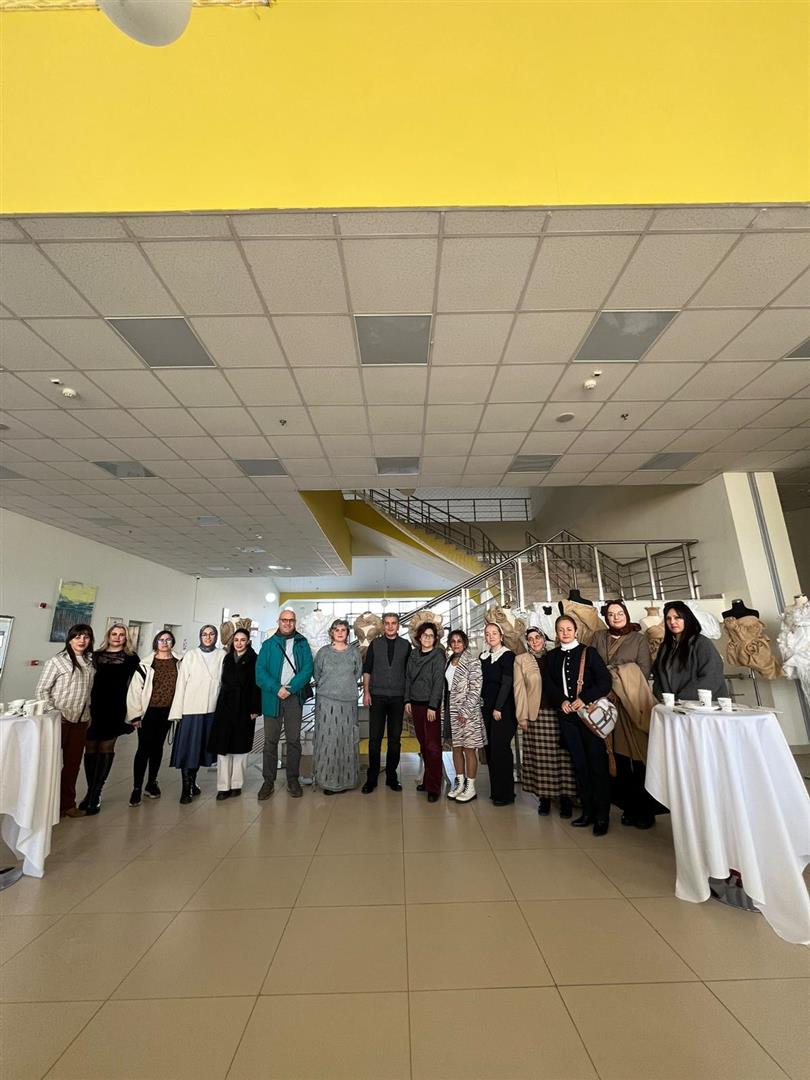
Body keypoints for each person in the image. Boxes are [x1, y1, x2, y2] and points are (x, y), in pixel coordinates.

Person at [544, 615, 613, 836]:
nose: (565, 633)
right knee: (580, 765)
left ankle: (602, 816)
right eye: (560, 629)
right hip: (568, 719)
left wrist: (584, 698)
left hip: (589, 717)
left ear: (576, 631)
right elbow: (549, 684)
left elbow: (605, 681)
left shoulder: (588, 652)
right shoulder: (552, 656)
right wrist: (561, 701)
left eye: (568, 629)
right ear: (556, 633)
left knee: (597, 765)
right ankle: (588, 812)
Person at [592, 601, 659, 829]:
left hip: (632, 702)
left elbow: (643, 670)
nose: (616, 617)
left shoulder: (638, 639)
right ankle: (627, 807)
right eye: (611, 614)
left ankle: (645, 809)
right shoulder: (599, 637)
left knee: (639, 756)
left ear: (626, 614)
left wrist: (617, 676)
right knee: (617, 756)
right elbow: (592, 665)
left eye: (620, 613)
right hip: (606, 703)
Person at [513, 627, 575, 818]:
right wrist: (522, 716)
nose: (534, 641)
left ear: (543, 638)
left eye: (537, 637)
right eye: (530, 639)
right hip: (537, 714)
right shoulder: (521, 660)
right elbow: (519, 690)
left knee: (563, 759)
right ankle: (545, 799)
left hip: (560, 713)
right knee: (541, 760)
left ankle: (566, 800)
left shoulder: (556, 655)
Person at [80, 623, 140, 815]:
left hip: (116, 707)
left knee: (106, 747)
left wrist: (136, 711)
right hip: (94, 706)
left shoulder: (131, 657)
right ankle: (90, 791)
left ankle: (96, 793)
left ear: (126, 638)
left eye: (121, 634)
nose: (117, 637)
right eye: (114, 633)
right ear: (108, 635)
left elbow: (137, 684)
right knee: (90, 747)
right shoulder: (95, 656)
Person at [36, 623, 95, 819]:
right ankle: (43, 807)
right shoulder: (57, 661)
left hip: (80, 720)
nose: (82, 641)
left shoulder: (90, 662)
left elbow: (88, 693)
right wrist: (54, 712)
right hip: (58, 720)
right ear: (70, 639)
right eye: (78, 637)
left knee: (72, 765)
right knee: (49, 764)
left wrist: (88, 713)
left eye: (86, 637)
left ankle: (67, 805)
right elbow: (42, 691)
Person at [256, 609, 313, 800]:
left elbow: (307, 669)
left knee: (294, 740)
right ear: (278, 621)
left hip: (293, 697)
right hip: (272, 697)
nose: (287, 623)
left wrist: (291, 688)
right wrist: (277, 688)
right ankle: (268, 781)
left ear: (295, 622)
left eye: (291, 620)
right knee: (270, 741)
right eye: (284, 620)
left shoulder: (302, 643)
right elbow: (260, 672)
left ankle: (292, 779)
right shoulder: (268, 644)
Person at [169, 625, 225, 804]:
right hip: (191, 709)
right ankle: (186, 788)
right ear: (200, 636)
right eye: (204, 634)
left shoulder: (222, 655)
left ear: (216, 636)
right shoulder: (191, 655)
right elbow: (181, 684)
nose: (208, 637)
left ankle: (193, 782)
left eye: (211, 634)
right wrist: (177, 712)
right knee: (188, 749)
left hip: (211, 709)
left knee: (201, 749)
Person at [126, 629, 181, 806]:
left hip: (167, 712)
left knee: (157, 748)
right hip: (148, 712)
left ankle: (151, 783)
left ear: (173, 642)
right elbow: (135, 690)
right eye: (161, 640)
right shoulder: (146, 664)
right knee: (143, 748)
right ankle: (136, 787)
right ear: (156, 642)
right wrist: (135, 715)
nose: (164, 643)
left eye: (168, 640)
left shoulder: (179, 662)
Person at [361, 611, 411, 794]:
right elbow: (367, 670)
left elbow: (409, 674)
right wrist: (366, 692)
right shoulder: (375, 644)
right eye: (387, 623)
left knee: (395, 739)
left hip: (398, 697)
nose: (390, 626)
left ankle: (391, 776)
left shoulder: (406, 645)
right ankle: (372, 778)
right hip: (377, 696)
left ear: (398, 625)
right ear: (383, 625)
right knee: (374, 739)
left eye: (394, 623)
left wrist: (408, 698)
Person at [208, 629, 261, 800]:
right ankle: (223, 786)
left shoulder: (254, 659)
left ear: (248, 642)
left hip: (244, 707)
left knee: (240, 747)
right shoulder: (227, 658)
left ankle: (237, 784)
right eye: (236, 640)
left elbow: (256, 685)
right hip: (225, 707)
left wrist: (255, 708)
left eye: (242, 640)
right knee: (223, 747)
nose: (239, 643)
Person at [312, 619, 363, 794]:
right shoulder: (323, 653)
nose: (340, 633)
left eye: (343, 630)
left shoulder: (354, 652)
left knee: (347, 739)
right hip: (326, 702)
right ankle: (328, 780)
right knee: (328, 740)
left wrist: (344, 687)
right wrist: (330, 688)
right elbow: (317, 674)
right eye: (337, 630)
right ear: (331, 632)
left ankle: (347, 780)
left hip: (348, 702)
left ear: (347, 633)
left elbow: (357, 673)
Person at [653, 600, 728, 702]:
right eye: (668, 618)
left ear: (687, 618)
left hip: (702, 705)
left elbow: (712, 676)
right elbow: (658, 677)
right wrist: (664, 697)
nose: (672, 622)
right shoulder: (665, 647)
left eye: (677, 617)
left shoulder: (701, 643)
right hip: (672, 706)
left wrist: (682, 699)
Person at [405, 622, 446, 802]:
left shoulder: (438, 656)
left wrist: (433, 706)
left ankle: (434, 787)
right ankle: (427, 780)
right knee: (423, 744)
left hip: (430, 707)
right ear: (419, 637)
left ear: (435, 638)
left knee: (433, 746)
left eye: (431, 635)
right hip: (415, 704)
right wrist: (407, 699)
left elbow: (438, 682)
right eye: (424, 635)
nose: (427, 638)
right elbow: (407, 678)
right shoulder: (413, 655)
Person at [444, 629, 486, 803]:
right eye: (453, 641)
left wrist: (465, 711)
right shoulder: (448, 661)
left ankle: (471, 787)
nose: (456, 644)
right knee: (456, 748)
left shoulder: (473, 661)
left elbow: (476, 689)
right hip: (451, 710)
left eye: (459, 641)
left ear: (465, 643)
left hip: (468, 712)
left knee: (469, 749)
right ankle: (460, 783)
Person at [480, 622, 517, 806]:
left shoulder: (508, 655)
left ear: (501, 636)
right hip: (486, 709)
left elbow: (507, 683)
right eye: (487, 634)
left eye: (494, 633)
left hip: (503, 709)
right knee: (490, 750)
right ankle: (496, 791)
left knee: (501, 749)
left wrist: (499, 707)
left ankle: (506, 794)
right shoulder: (483, 657)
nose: (491, 636)